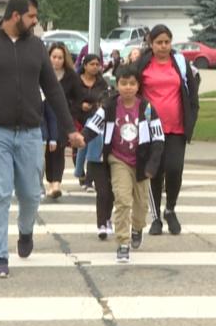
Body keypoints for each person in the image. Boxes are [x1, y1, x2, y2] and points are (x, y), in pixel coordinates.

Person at [0, 0, 83, 278]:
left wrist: (70, 129)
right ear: (16, 16)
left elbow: (53, 91)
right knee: (0, 194)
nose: (36, 22)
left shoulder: (37, 47)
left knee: (30, 194)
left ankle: (25, 232)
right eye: (32, 16)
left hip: (29, 133)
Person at [82, 64, 165, 263]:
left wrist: (152, 166)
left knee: (140, 206)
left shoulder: (146, 108)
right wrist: (79, 138)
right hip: (118, 159)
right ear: (117, 85)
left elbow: (159, 139)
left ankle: (137, 229)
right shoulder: (110, 107)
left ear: (138, 86)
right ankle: (122, 243)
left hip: (142, 162)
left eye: (132, 83)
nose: (128, 87)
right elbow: (93, 127)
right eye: (123, 83)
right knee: (122, 200)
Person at [135, 25, 199, 235]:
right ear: (151, 44)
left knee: (174, 168)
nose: (163, 46)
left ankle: (170, 209)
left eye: (167, 42)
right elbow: (129, 88)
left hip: (176, 127)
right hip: (150, 128)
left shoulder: (179, 63)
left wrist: (192, 117)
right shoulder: (143, 64)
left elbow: (192, 93)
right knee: (154, 171)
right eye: (159, 42)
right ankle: (155, 218)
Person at [65, 53, 109, 192]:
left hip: (96, 120)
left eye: (97, 64)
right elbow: (66, 99)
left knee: (93, 148)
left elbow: (106, 99)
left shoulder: (102, 82)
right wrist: (79, 106)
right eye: (92, 64)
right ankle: (81, 176)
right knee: (78, 148)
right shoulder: (75, 80)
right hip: (77, 118)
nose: (95, 67)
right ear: (84, 66)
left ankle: (90, 179)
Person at [45, 43, 77, 198]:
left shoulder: (70, 76)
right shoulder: (42, 73)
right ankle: (49, 182)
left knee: (59, 150)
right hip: (43, 116)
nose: (56, 61)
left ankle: (56, 184)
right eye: (54, 57)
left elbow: (78, 96)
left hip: (62, 118)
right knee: (47, 152)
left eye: (60, 58)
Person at [83, 89, 116, 239]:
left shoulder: (117, 122)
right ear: (98, 106)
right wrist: (79, 170)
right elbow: (83, 146)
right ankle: (101, 223)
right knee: (102, 192)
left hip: (113, 160)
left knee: (111, 193)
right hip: (96, 161)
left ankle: (108, 219)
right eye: (103, 106)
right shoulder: (92, 122)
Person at [39, 91, 60, 198]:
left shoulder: (44, 94)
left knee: (40, 161)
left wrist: (53, 139)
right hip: (21, 133)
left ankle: (38, 183)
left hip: (41, 134)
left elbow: (52, 117)